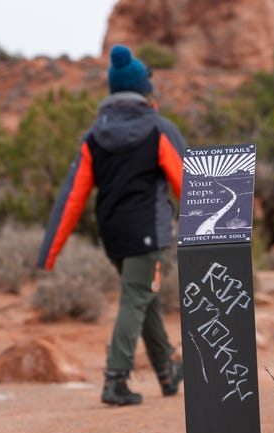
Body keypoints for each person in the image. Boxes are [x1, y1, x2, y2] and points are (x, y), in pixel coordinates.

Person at [37, 44, 187, 406]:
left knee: (142, 294)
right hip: (147, 232)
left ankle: (166, 371)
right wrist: (216, 230)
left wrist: (49, 252)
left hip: (113, 234)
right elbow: (189, 183)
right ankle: (115, 380)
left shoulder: (94, 136)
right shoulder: (158, 129)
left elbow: (72, 196)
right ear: (141, 88)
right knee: (136, 297)